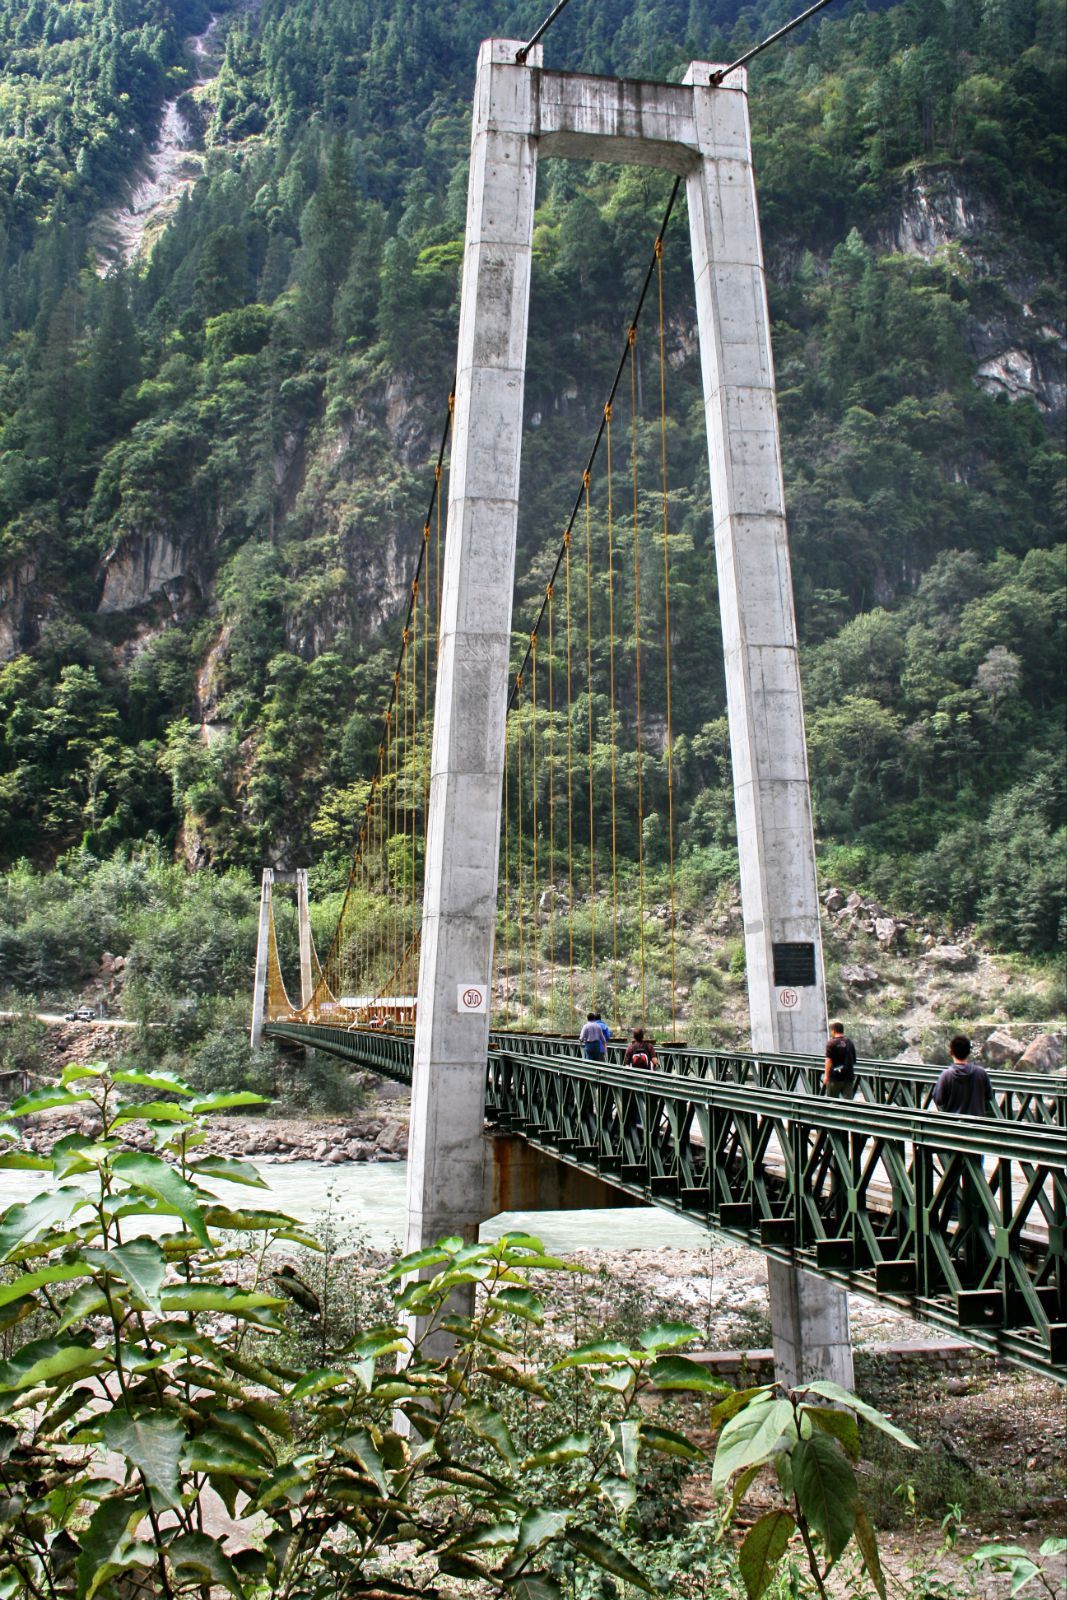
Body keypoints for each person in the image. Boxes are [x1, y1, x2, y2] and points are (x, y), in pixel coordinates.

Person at [932, 1035, 993, 1116]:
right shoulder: (981, 1073)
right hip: (978, 1125)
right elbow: (989, 1096)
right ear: (968, 1052)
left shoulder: (946, 1075)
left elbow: (938, 1100)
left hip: (954, 1126)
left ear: (951, 1053)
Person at [822, 1020, 857, 1098]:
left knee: (832, 1101)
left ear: (834, 1031)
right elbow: (853, 1060)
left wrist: (826, 1076)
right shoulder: (849, 1043)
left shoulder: (831, 1043)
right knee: (848, 1103)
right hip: (848, 1077)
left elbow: (829, 1061)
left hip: (835, 1077)